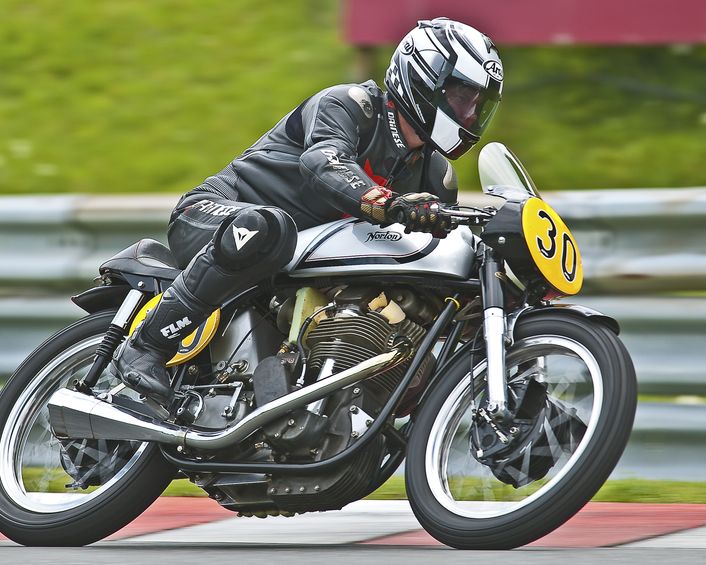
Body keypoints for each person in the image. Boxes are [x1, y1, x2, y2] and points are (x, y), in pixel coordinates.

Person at [112, 17, 504, 407]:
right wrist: (390, 204)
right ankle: (146, 346)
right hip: (219, 215)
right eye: (460, 99)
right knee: (268, 226)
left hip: (297, 263)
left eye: (476, 106)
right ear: (424, 77)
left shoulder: (437, 175)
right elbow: (324, 162)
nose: (468, 115)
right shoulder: (352, 105)